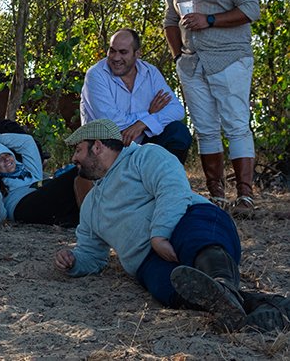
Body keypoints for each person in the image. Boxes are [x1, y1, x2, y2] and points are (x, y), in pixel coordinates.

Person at [54, 119, 256, 331]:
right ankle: (250, 305)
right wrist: (74, 261)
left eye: (78, 150)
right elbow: (92, 255)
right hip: (148, 260)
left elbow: (172, 188)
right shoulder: (90, 206)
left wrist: (159, 236)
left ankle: (223, 283)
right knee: (165, 287)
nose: (73, 158)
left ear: (97, 146)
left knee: (198, 238)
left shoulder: (144, 156)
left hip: (189, 219)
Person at [160, 0, 261, 213]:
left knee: (236, 125)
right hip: (192, 65)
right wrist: (178, 57)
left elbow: (251, 10)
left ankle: (245, 196)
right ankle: (217, 195)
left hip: (229, 59)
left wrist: (211, 20)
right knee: (205, 129)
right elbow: (170, 21)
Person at [81, 29, 191, 163]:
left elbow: (177, 110)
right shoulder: (96, 75)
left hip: (142, 144)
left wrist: (142, 124)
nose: (116, 57)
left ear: (137, 54)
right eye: (112, 51)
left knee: (178, 132)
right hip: (106, 149)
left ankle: (166, 180)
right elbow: (110, 124)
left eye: (123, 52)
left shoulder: (150, 72)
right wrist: (148, 114)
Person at [0, 133, 82, 227]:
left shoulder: (29, 170)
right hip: (23, 206)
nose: (6, 159)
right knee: (79, 170)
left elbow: (27, 142)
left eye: (7, 154)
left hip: (44, 196)